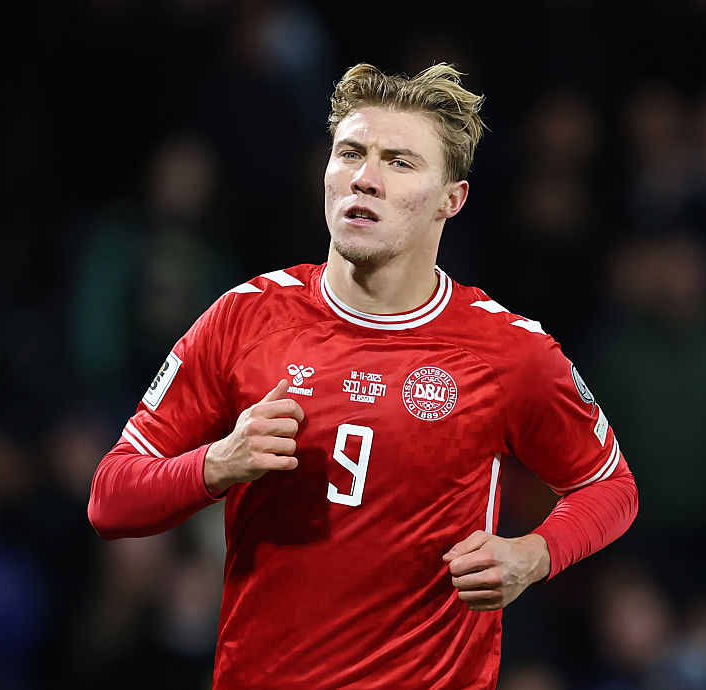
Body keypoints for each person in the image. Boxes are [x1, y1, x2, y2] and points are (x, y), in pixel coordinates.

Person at [88, 63, 638, 689]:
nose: (365, 178)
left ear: (450, 200)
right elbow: (111, 497)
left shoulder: (509, 352)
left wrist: (533, 555)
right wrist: (216, 463)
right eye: (351, 153)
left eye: (400, 162)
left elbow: (610, 488)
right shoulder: (245, 318)